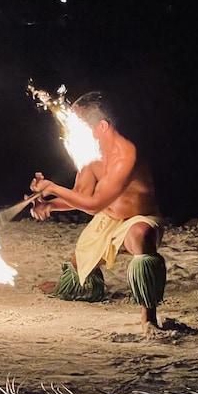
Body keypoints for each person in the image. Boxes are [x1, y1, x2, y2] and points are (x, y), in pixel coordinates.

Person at [29, 91, 165, 333]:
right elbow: (81, 193)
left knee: (140, 234)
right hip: (107, 220)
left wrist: (53, 188)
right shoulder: (89, 154)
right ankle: (76, 286)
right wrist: (49, 204)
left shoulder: (126, 156)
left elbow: (93, 205)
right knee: (76, 274)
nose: (70, 130)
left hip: (139, 219)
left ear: (102, 126)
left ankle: (149, 317)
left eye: (78, 124)